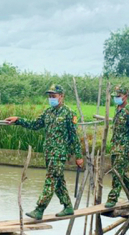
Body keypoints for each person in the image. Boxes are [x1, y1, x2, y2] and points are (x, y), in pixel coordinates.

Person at [5, 84, 83, 220]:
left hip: (59, 154)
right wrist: (18, 120)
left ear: (61, 96)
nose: (51, 98)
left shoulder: (69, 114)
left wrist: (79, 156)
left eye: (54, 96)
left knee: (51, 180)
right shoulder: (48, 113)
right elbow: (34, 124)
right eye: (50, 96)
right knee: (58, 182)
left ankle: (39, 209)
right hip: (48, 152)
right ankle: (68, 206)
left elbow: (74, 136)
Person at [105, 85, 129, 208]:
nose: (117, 98)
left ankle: (112, 198)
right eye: (115, 96)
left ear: (126, 96)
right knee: (118, 172)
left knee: (117, 173)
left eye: (119, 96)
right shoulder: (117, 109)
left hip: (124, 147)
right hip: (115, 146)